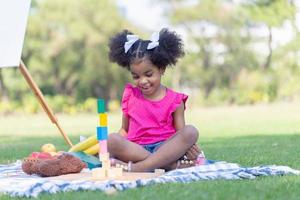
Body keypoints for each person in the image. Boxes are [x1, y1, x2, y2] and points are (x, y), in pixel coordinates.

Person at [107, 28, 205, 172]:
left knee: (191, 132)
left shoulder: (175, 100)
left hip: (165, 148)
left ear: (162, 68)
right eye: (136, 76)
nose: (143, 81)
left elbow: (181, 134)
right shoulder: (130, 95)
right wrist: (111, 145)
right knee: (110, 139)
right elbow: (124, 130)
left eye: (148, 74)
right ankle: (167, 165)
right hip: (136, 149)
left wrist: (193, 150)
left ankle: (139, 167)